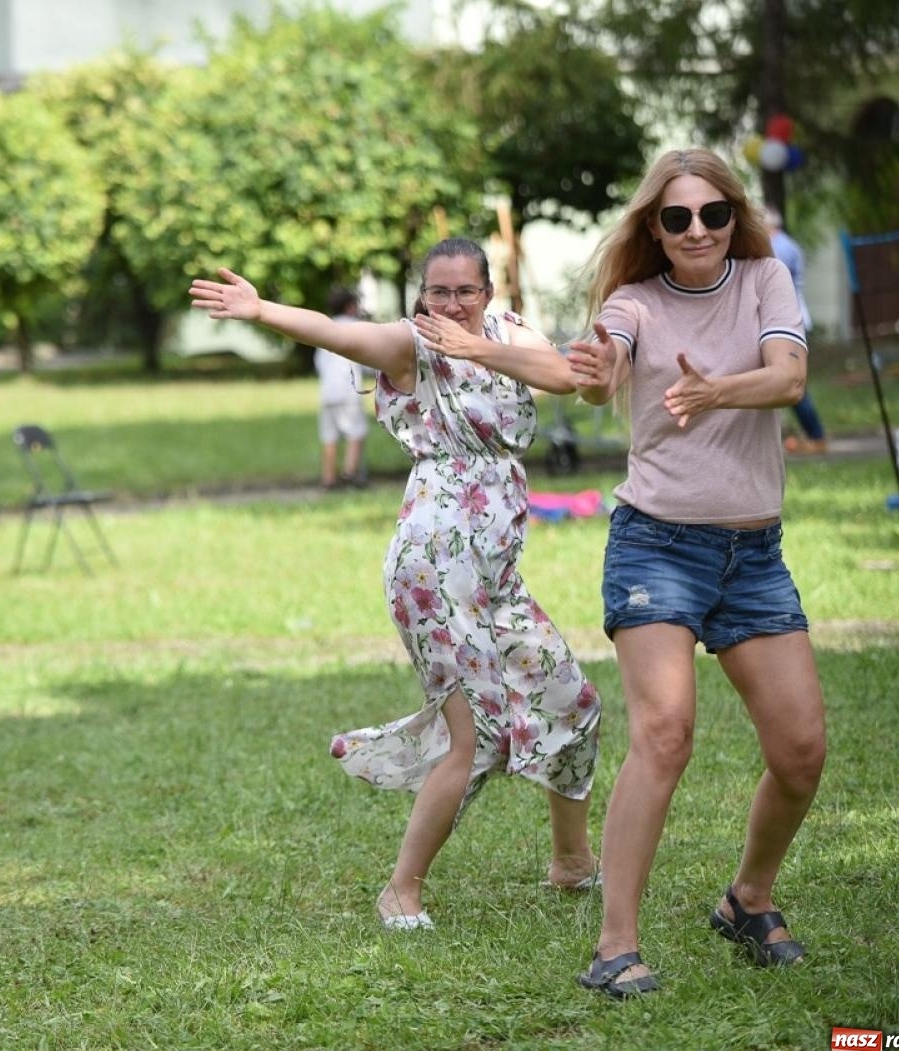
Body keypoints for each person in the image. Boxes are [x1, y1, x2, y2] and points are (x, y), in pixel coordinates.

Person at [192, 239, 601, 931]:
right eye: (436, 292)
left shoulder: (506, 337)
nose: (448, 304)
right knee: (473, 738)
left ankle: (571, 864)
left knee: (571, 698)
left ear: (487, 292)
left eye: (463, 291)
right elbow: (340, 331)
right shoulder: (408, 346)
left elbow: (564, 377)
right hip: (434, 571)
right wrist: (261, 310)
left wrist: (479, 348)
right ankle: (401, 891)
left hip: (494, 572)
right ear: (420, 295)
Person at [567, 149, 827, 998]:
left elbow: (790, 378)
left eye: (712, 213)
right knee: (665, 734)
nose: (696, 231)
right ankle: (614, 947)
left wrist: (717, 392)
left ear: (733, 215)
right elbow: (608, 355)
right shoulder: (634, 301)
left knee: (800, 753)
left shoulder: (763, 279)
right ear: (655, 226)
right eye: (676, 217)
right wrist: (596, 366)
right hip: (658, 547)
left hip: (753, 555)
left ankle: (747, 900)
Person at [766, 205, 827, 454]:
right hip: (790, 320)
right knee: (783, 382)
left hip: (788, 323)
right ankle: (806, 435)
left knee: (790, 381)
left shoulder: (778, 247)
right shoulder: (787, 244)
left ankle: (816, 435)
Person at [313, 286, 369, 489]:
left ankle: (328, 478)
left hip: (327, 391)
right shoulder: (355, 326)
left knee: (329, 435)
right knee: (356, 432)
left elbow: (319, 363)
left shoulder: (325, 327)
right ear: (350, 306)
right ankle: (350, 473)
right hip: (348, 390)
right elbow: (366, 358)